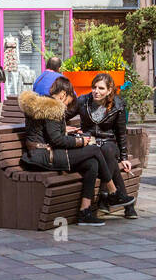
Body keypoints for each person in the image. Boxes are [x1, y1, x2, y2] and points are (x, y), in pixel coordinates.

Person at [19, 77, 130, 226]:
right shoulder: (52, 108)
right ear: (63, 95)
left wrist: (64, 129)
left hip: (42, 153)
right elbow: (56, 140)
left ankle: (85, 211)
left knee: (91, 163)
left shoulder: (42, 105)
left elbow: (48, 132)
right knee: (94, 149)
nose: (67, 106)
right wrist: (80, 141)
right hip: (45, 156)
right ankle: (112, 192)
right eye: (68, 102)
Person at [67, 72, 138, 219]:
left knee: (106, 151)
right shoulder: (83, 101)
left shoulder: (118, 104)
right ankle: (121, 202)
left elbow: (121, 133)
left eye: (101, 88)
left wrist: (124, 157)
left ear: (109, 90)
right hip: (89, 142)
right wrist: (62, 127)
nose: (96, 91)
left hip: (109, 142)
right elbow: (64, 115)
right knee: (104, 156)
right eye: (94, 87)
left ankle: (106, 197)